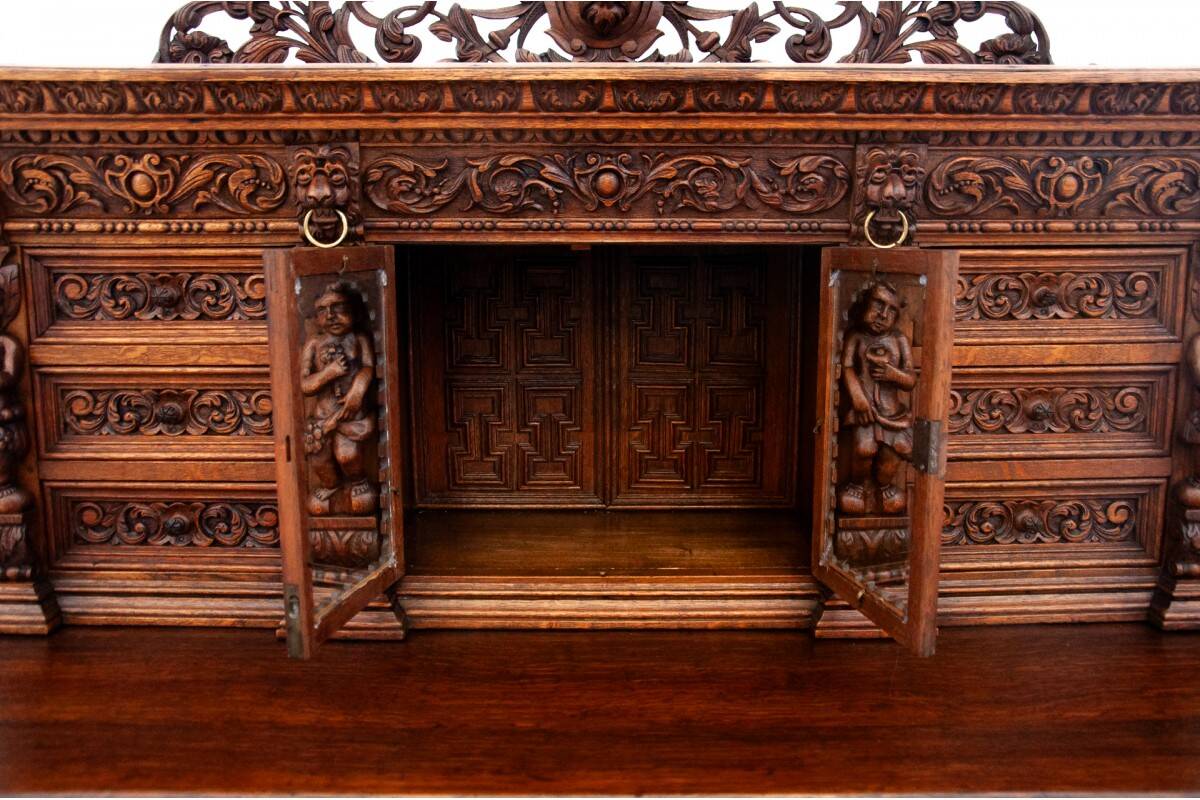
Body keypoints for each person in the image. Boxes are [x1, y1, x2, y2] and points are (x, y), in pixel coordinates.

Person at [838, 280, 916, 516]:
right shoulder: (856, 337)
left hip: (893, 413)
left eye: (892, 310)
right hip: (866, 411)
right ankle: (856, 486)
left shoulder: (899, 340)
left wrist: (894, 374)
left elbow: (910, 379)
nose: (883, 314)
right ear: (864, 304)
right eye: (878, 304)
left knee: (891, 456)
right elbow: (847, 368)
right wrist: (858, 397)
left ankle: (885, 487)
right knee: (864, 450)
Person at [300, 281, 378, 516]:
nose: (330, 315)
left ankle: (358, 482)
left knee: (348, 456)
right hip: (322, 420)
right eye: (322, 310)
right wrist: (329, 373)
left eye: (338, 307)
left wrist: (358, 390)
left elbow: (368, 368)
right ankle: (330, 486)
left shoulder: (358, 339)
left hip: (350, 414)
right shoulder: (314, 344)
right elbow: (305, 384)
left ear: (353, 310)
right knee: (319, 460)